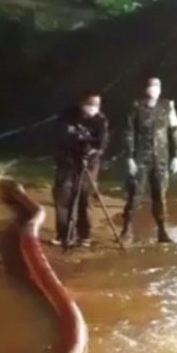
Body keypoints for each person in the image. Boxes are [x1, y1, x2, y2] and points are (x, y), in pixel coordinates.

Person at [121, 77, 177, 244]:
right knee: (135, 194)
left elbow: (175, 131)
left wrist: (176, 156)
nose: (153, 89)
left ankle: (162, 231)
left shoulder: (167, 106)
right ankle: (127, 229)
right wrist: (129, 157)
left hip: (161, 158)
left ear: (160, 89)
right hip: (141, 158)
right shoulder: (136, 106)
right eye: (150, 86)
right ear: (145, 88)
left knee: (160, 196)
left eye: (156, 86)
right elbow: (129, 132)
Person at [52, 93, 108, 247]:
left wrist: (91, 152)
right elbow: (61, 137)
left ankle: (85, 236)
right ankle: (63, 234)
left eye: (96, 105)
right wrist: (76, 143)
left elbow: (102, 143)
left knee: (86, 198)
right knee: (64, 196)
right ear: (82, 104)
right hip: (68, 162)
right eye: (89, 104)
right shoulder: (67, 117)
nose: (92, 108)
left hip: (89, 164)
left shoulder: (101, 120)